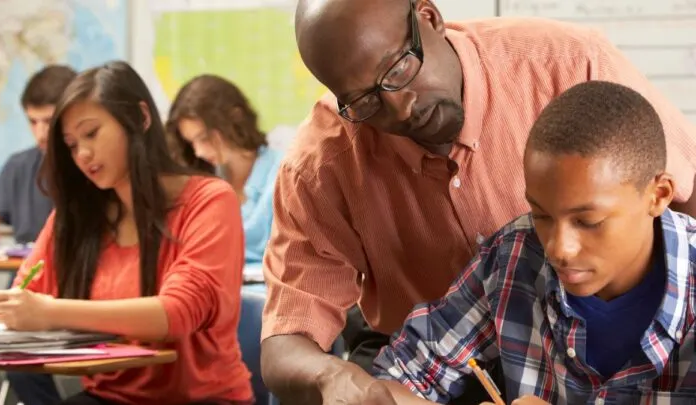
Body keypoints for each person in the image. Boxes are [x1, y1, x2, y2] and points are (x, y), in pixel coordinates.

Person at [260, 0, 696, 403]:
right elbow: (290, 338)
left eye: (397, 70)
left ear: (429, 18)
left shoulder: (568, 62)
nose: (399, 107)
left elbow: (684, 190)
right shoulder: (320, 165)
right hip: (429, 342)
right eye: (364, 100)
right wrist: (332, 378)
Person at [372, 80, 696, 404]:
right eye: (542, 215)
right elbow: (403, 377)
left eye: (588, 221)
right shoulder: (511, 257)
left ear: (659, 195)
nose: (558, 249)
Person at [0, 61, 253, 405]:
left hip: (201, 399)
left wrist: (50, 311)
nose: (82, 154)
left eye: (92, 134)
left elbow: (177, 312)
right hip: (109, 397)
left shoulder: (209, 200)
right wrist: (16, 309)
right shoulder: (78, 215)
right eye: (70, 144)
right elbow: (27, 294)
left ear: (140, 118)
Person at [167, 74, 283, 265]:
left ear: (234, 118)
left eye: (204, 138)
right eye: (191, 143)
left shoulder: (283, 174)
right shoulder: (207, 181)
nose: (199, 152)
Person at [0, 65, 76, 251]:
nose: (40, 134)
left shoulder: (95, 166)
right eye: (32, 121)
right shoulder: (18, 167)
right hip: (27, 276)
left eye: (49, 121)